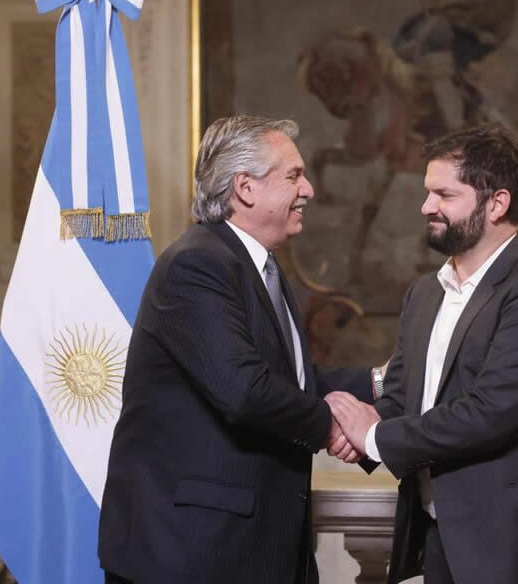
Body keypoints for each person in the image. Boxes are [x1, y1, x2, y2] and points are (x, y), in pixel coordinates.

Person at [98, 115, 380, 584]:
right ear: (245, 188)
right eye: (293, 175)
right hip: (194, 554)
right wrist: (336, 427)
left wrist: (384, 383)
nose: (308, 189)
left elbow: (293, 383)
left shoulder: (255, 266)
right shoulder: (197, 264)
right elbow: (246, 390)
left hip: (250, 548)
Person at [327, 124, 518, 584]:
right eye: (427, 193)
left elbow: (492, 411)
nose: (426, 207)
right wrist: (352, 429)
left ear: (496, 203)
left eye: (444, 194)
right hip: (443, 540)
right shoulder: (424, 293)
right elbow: (402, 397)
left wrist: (375, 439)